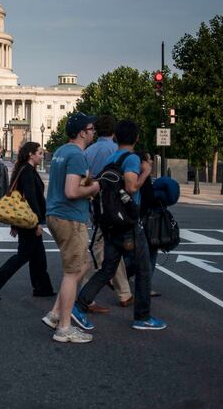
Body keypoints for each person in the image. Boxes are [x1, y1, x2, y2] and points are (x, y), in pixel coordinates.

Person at [75, 120, 167, 331]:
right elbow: (132, 187)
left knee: (107, 269)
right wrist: (146, 171)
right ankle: (142, 317)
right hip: (128, 222)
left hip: (111, 221)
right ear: (136, 138)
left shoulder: (112, 158)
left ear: (116, 137)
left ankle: (79, 305)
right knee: (143, 269)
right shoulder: (132, 159)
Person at [40, 113, 101, 344]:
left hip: (56, 213)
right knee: (73, 271)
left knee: (82, 265)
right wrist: (94, 188)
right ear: (82, 132)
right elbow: (72, 191)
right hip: (69, 217)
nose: (93, 131)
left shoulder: (61, 151)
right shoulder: (76, 155)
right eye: (91, 128)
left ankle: (56, 313)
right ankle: (64, 328)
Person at [0, 142, 55, 299]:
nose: (41, 156)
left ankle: (42, 288)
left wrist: (15, 223)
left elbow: (17, 199)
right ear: (31, 154)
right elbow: (30, 199)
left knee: (39, 256)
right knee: (23, 255)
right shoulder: (28, 172)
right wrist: (37, 223)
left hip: (26, 219)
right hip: (30, 220)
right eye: (39, 153)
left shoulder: (24, 170)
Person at [82, 116, 133, 312]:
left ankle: (124, 292)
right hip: (117, 207)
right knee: (99, 250)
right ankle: (85, 292)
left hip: (96, 205)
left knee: (108, 248)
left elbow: (85, 179)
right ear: (113, 132)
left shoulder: (89, 151)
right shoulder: (117, 152)